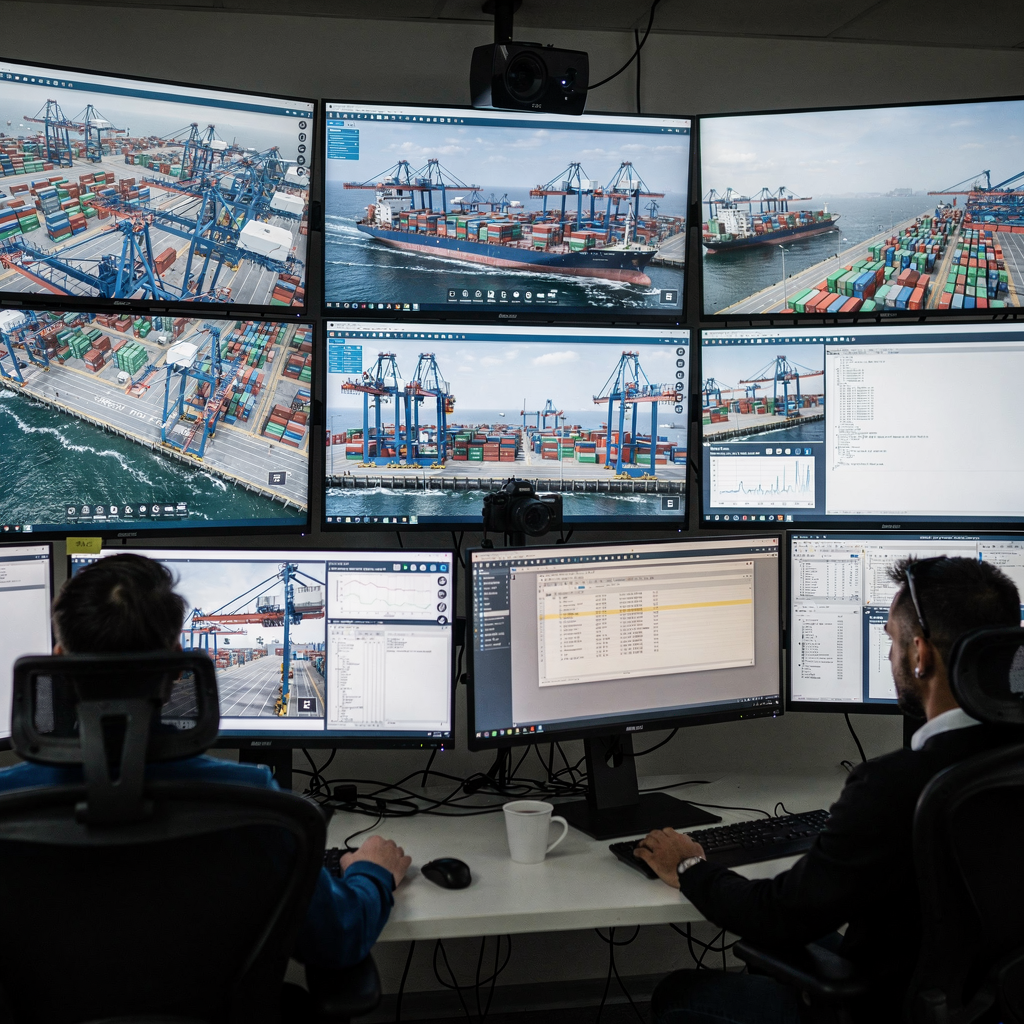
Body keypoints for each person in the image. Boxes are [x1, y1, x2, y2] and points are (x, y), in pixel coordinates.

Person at [636, 555, 1023, 1024]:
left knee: (679, 996)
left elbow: (777, 915)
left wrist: (691, 865)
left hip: (886, 1008)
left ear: (920, 655)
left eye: (893, 642)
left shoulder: (892, 786)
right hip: (991, 1003)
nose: (889, 655)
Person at [0, 553, 411, 973]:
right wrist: (371, 872)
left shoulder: (9, 804)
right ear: (178, 664)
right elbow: (339, 938)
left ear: (57, 660)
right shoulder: (253, 801)